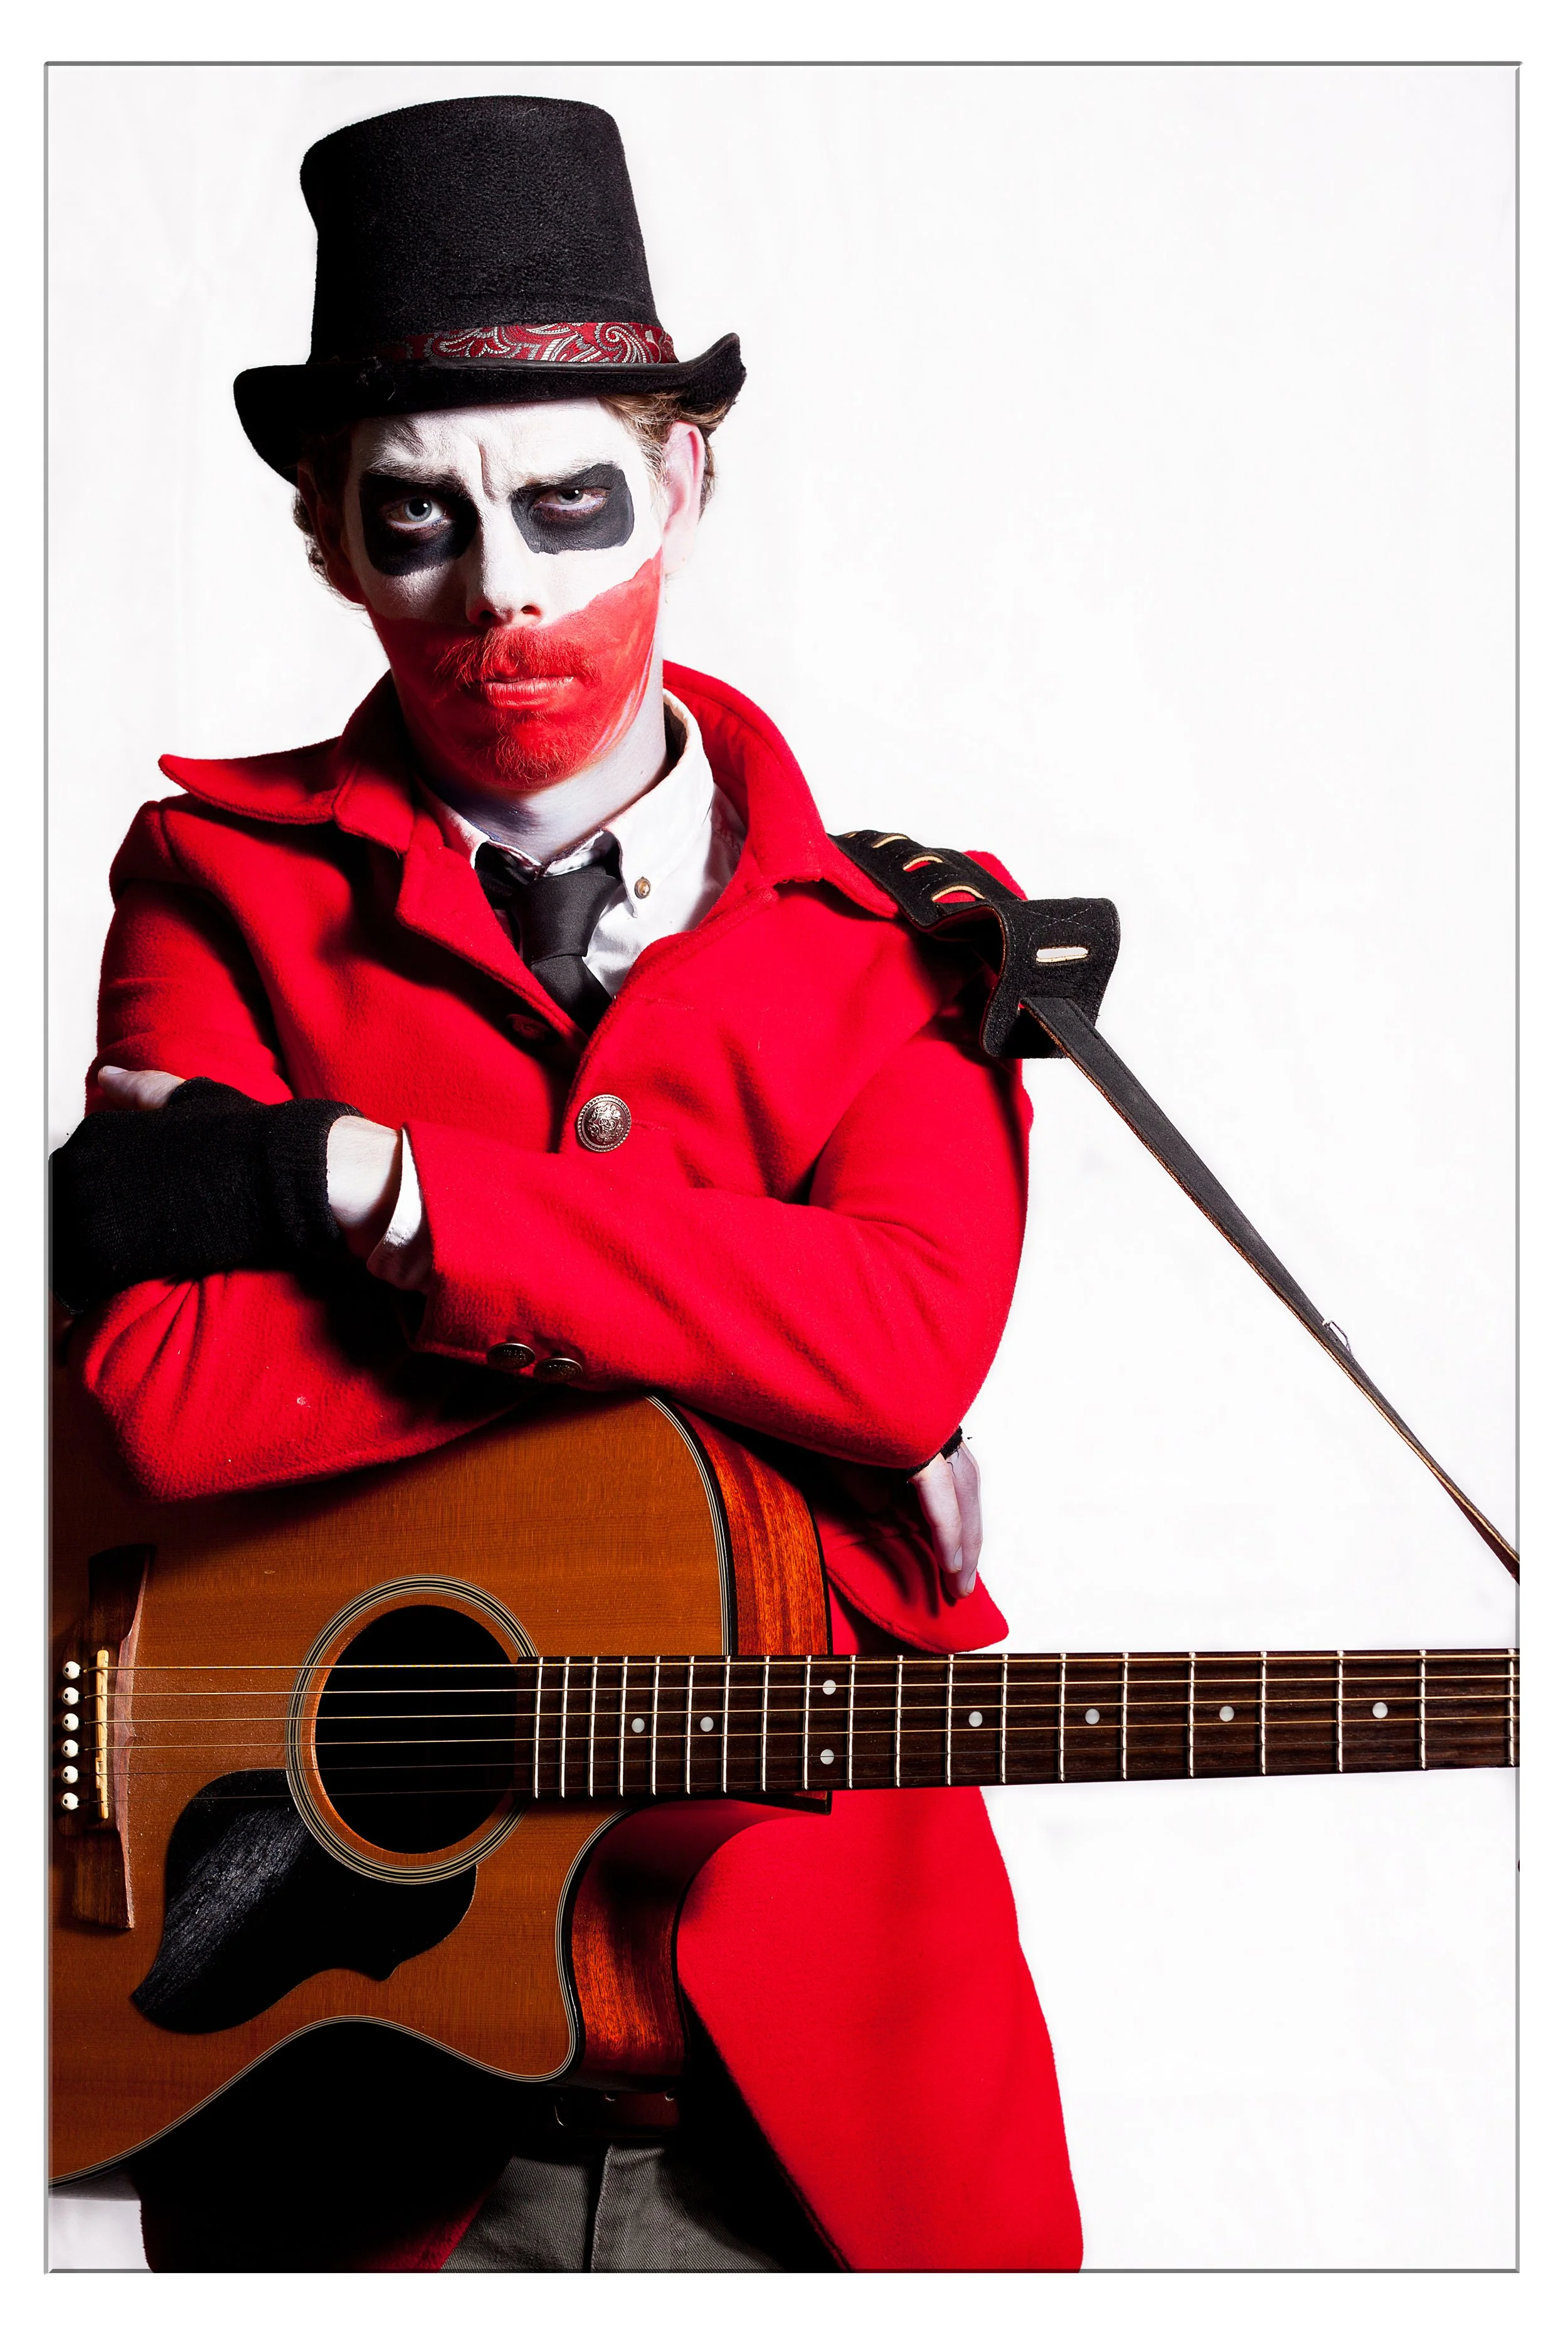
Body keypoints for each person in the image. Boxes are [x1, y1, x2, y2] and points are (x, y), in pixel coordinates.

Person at [50, 94, 1081, 2273]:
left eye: (569, 500)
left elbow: (899, 1349)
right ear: (327, 535)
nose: (499, 588)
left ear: (683, 483)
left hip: (827, 2083)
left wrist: (376, 1187)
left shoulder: (916, 941)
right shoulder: (213, 886)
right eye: (413, 515)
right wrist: (737, 1386)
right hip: (345, 2077)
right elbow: (153, 1389)